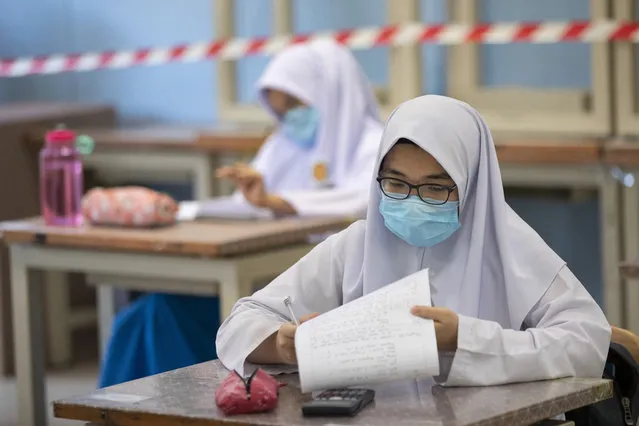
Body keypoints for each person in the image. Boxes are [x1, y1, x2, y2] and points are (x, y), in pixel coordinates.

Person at [216, 95, 611, 386]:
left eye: (436, 189)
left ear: (470, 188)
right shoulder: (356, 247)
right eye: (396, 183)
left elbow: (587, 343)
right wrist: (283, 345)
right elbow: (240, 323)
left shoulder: (513, 250)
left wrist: (465, 339)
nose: (412, 202)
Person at [98, 40, 384, 387]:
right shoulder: (284, 145)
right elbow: (249, 205)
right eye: (280, 111)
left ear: (331, 93)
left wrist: (277, 202)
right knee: (143, 315)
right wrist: (189, 210)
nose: (290, 118)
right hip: (260, 289)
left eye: (295, 104)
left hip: (318, 301)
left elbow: (361, 202)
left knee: (162, 316)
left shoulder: (376, 145)